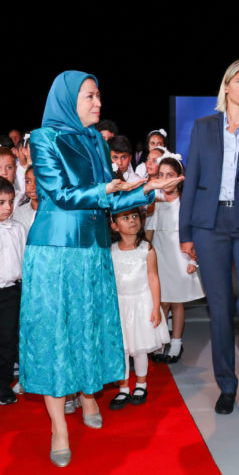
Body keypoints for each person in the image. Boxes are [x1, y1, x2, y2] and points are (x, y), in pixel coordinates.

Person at [18, 70, 183, 468]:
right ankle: (59, 426)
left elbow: (110, 199)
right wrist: (107, 190)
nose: (98, 103)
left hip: (93, 249)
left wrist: (145, 188)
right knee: (55, 333)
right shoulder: (44, 138)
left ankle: (89, 394)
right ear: (68, 100)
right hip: (55, 251)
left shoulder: (94, 138)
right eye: (90, 96)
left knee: (88, 326)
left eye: (98, 96)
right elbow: (58, 193)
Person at [179, 59, 239, 418]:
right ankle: (227, 385)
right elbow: (193, 181)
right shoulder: (204, 127)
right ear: (226, 86)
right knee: (219, 309)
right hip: (209, 224)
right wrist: (186, 232)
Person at [108, 207, 170, 409]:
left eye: (135, 216)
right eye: (125, 218)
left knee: (140, 347)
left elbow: (153, 278)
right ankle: (123, 387)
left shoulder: (147, 249)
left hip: (142, 303)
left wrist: (155, 306)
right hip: (121, 304)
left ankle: (141, 384)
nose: (132, 220)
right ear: (115, 226)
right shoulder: (111, 251)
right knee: (123, 348)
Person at [146, 156, 204, 363]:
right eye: (161, 175)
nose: (165, 180)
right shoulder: (155, 200)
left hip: (180, 255)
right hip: (160, 254)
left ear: (180, 178)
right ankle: (160, 342)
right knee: (162, 302)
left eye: (169, 175)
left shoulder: (186, 202)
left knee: (177, 301)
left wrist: (192, 261)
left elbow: (194, 233)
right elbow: (150, 233)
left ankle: (176, 343)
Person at [0, 177, 26, 406]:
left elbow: (24, 260)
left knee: (8, 339)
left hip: (11, 293)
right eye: (1, 202)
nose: (7, 207)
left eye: (10, 202)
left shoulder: (18, 228)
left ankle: (4, 384)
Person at [13, 165, 37, 231]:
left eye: (37, 182)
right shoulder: (19, 212)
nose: (32, 187)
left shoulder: (54, 212)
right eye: (28, 182)